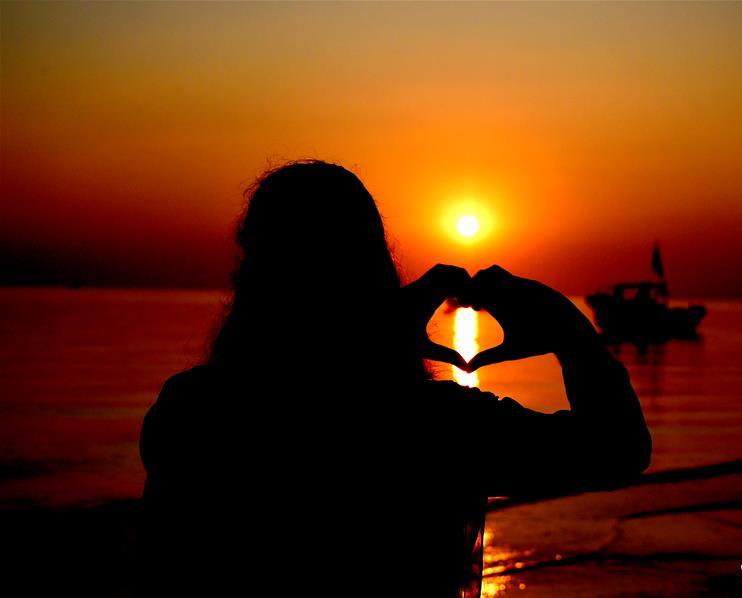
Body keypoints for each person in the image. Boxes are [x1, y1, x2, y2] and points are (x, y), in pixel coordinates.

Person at [139, 160, 651, 597]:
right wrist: (569, 331)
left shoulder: (190, 412)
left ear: (252, 281)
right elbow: (619, 449)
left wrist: (374, 333)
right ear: (377, 274)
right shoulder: (439, 428)